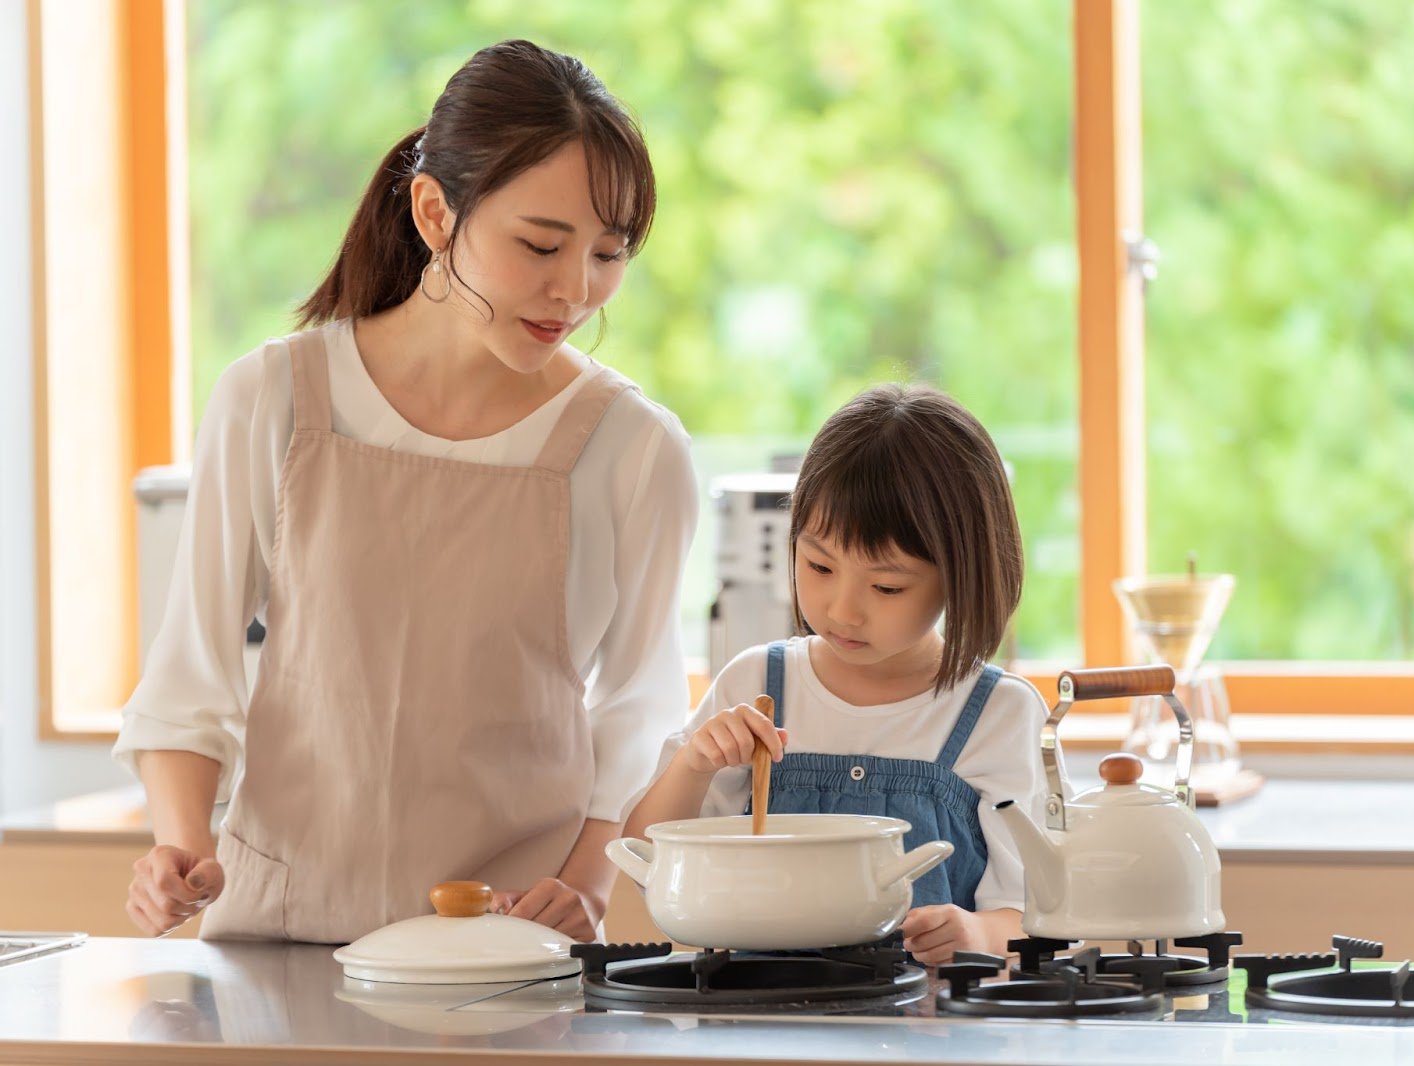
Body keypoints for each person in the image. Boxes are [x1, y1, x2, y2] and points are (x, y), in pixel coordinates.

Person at [114, 40, 697, 944]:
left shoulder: (636, 448)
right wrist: (180, 851)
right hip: (279, 937)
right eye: (540, 244)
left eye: (609, 255)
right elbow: (191, 675)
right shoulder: (275, 399)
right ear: (435, 212)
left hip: (507, 949)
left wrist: (586, 883)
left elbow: (641, 710)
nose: (574, 290)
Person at [624, 384, 1047, 966]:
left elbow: (1035, 915)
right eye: (819, 565)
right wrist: (694, 764)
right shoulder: (756, 683)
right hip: (758, 1029)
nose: (843, 610)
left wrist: (975, 935)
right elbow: (648, 864)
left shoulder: (1000, 714)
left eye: (887, 586)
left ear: (962, 573)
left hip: (929, 1037)